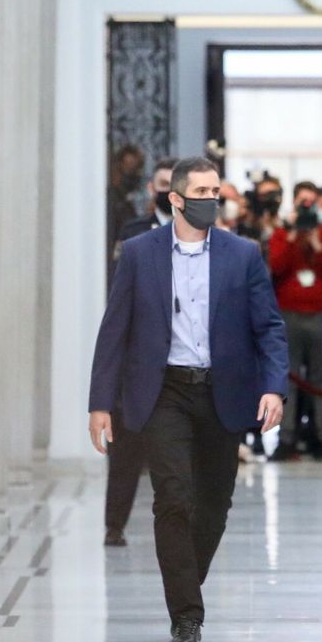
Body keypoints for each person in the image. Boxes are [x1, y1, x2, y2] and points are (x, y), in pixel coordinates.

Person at [87, 157, 288, 642]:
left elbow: (269, 327)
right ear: (175, 198)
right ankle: (186, 616)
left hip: (223, 390)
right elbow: (115, 329)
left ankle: (184, 587)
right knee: (173, 496)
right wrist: (100, 403)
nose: (209, 200)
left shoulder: (243, 254)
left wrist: (273, 386)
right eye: (199, 191)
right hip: (163, 391)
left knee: (213, 505)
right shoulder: (138, 253)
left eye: (215, 190)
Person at [102, 157, 177, 547]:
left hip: (180, 360)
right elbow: (119, 296)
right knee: (126, 450)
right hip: (138, 357)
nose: (167, 191)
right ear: (153, 188)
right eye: (162, 184)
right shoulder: (133, 235)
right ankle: (114, 524)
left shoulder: (202, 235)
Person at [270, 193, 322, 461]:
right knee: (287, 379)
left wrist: (318, 245)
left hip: (321, 314)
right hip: (288, 314)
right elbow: (274, 267)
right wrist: (291, 240)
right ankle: (286, 437)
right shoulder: (283, 235)